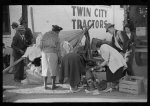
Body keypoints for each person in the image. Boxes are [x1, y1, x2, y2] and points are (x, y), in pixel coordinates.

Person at [40, 25, 62, 90]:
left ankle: (45, 85)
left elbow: (40, 45)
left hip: (44, 53)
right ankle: (53, 85)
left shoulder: (45, 34)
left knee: (44, 69)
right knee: (53, 68)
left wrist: (43, 52)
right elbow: (58, 49)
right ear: (57, 31)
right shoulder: (56, 36)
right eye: (58, 32)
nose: (58, 33)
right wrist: (59, 57)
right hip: (53, 53)